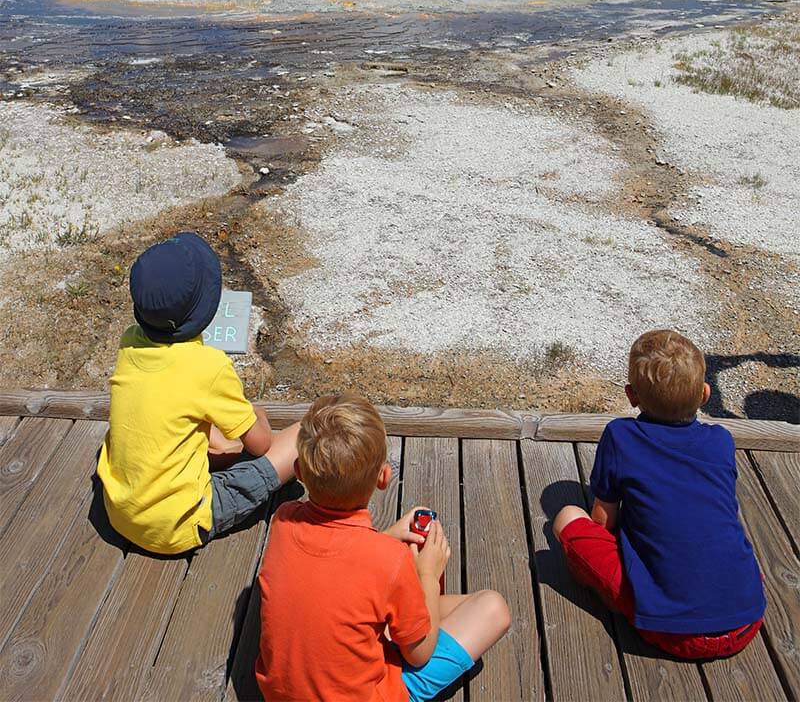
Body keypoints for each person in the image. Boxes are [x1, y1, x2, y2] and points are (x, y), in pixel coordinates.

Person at [255, 394, 510, 701]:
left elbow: (334, 567)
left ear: (298, 470)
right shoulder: (389, 561)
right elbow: (420, 655)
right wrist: (428, 574)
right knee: (492, 608)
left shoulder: (284, 522)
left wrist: (386, 537)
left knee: (411, 608)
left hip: (281, 694)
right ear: (384, 477)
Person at [554, 329, 766, 660]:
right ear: (705, 394)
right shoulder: (721, 441)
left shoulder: (621, 436)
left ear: (631, 395)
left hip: (671, 631)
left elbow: (603, 521)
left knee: (568, 517)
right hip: (746, 619)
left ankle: (596, 584)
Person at [97, 232, 299, 555]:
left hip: (120, 510)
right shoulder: (209, 366)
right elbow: (261, 444)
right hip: (177, 524)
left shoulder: (129, 341)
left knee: (209, 428)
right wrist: (257, 413)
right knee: (301, 436)